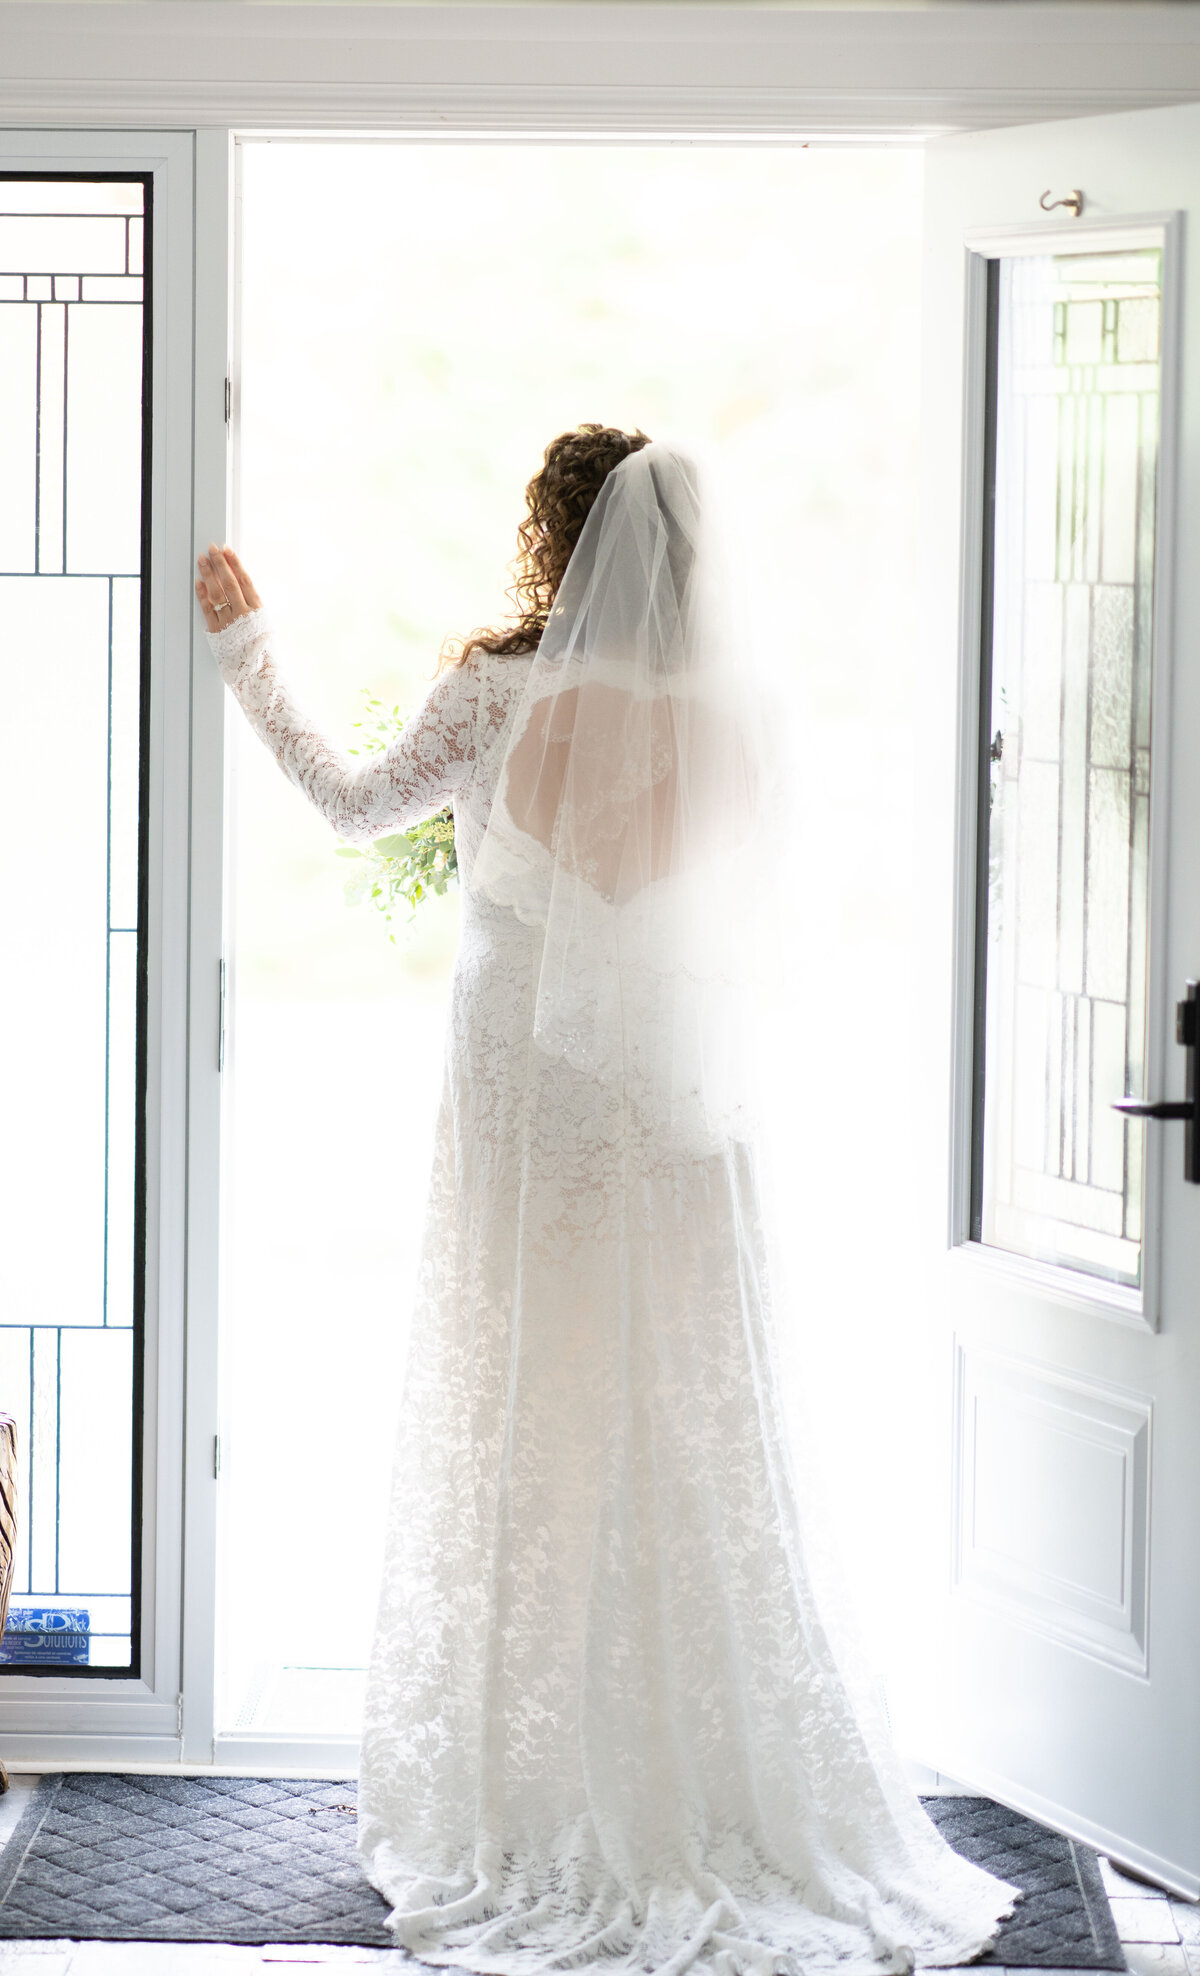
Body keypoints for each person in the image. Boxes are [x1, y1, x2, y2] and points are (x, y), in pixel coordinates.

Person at [196, 424, 1018, 1976]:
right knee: (690, 1405)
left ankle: (527, 1791)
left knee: (533, 1407)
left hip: (527, 1100)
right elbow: (774, 924)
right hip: (681, 1107)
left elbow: (351, 804)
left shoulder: (499, 694)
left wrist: (249, 650)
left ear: (552, 540)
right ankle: (701, 1773)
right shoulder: (743, 718)